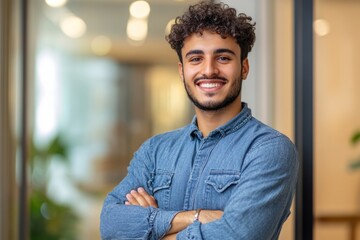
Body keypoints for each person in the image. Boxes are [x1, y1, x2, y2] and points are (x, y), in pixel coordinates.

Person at [100, 1, 299, 239]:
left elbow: (236, 236)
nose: (209, 70)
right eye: (195, 59)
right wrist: (195, 216)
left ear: (244, 68)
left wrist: (152, 229)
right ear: (182, 70)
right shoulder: (156, 150)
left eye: (223, 58)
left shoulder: (269, 149)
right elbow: (111, 224)